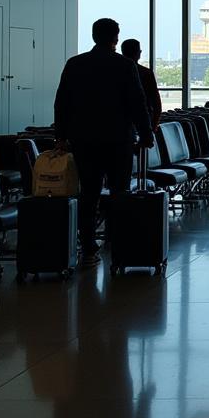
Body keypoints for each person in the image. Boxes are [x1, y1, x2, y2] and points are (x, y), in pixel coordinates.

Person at [54, 17, 154, 265]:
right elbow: (137, 103)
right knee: (120, 191)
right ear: (115, 38)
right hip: (118, 139)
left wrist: (61, 136)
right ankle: (118, 241)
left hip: (84, 140)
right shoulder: (124, 66)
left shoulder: (75, 64)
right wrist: (146, 133)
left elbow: (62, 102)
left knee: (89, 192)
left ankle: (88, 247)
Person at [120, 38, 162, 130]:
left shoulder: (117, 72)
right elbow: (156, 101)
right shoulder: (146, 73)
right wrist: (154, 124)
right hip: (144, 119)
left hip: (121, 120)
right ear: (138, 53)